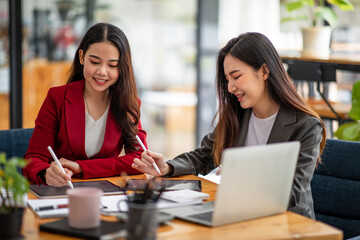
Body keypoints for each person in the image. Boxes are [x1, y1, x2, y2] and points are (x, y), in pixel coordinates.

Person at [132, 32, 326, 219]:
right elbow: (204, 156)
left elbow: (293, 193)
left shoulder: (306, 126)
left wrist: (242, 177)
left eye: (236, 76)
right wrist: (167, 167)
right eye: (227, 80)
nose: (230, 88)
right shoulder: (237, 116)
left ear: (264, 71)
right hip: (241, 217)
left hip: (288, 224)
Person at [24, 23, 147, 186]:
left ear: (122, 67)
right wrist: (46, 173)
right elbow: (33, 159)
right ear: (82, 57)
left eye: (112, 65)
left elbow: (139, 159)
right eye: (95, 62)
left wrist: (81, 167)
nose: (102, 71)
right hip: (63, 190)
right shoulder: (57, 98)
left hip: (108, 193)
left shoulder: (128, 104)